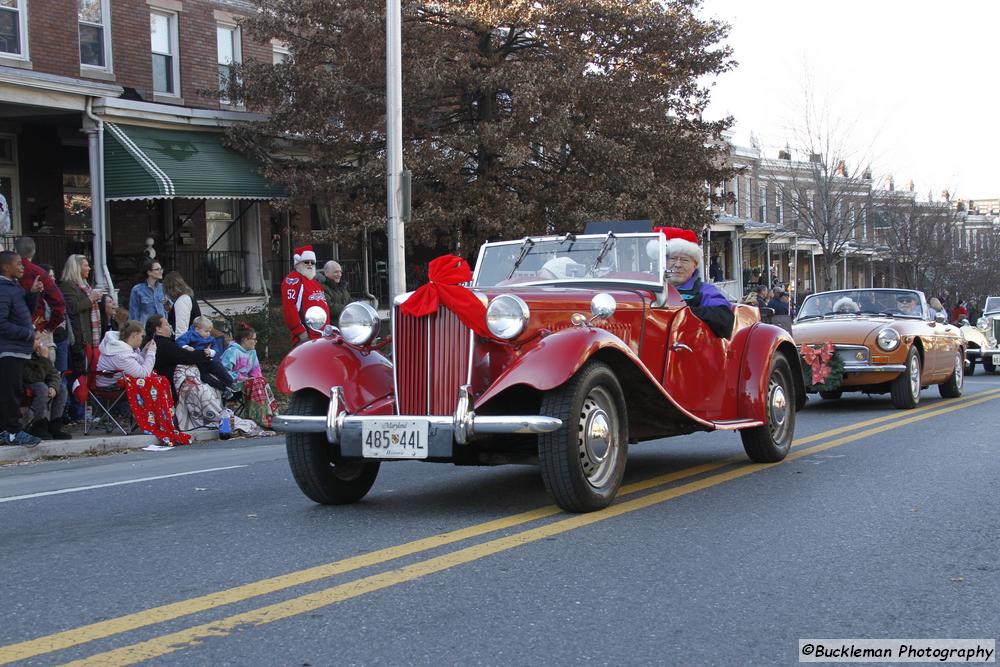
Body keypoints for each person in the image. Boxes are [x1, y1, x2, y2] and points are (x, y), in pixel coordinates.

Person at [97, 320, 190, 446]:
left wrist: (144, 352)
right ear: (134, 335)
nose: (142, 338)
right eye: (141, 336)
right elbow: (143, 373)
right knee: (155, 382)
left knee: (159, 380)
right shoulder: (121, 354)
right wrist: (151, 353)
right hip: (111, 385)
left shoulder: (124, 348)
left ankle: (163, 419)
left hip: (117, 379)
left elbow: (136, 364)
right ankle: (158, 421)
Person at [658, 227, 734, 338]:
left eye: (684, 260)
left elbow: (724, 319)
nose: (678, 264)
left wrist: (682, 313)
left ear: (694, 265)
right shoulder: (649, 290)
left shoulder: (705, 291)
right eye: (673, 258)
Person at [0, 251, 42, 447]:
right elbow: (1, 323)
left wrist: (32, 294)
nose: (22, 266)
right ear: (5, 267)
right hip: (8, 350)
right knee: (11, 392)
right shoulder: (2, 289)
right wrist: (28, 334)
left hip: (18, 349)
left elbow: (25, 313)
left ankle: (6, 432)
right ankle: (13, 432)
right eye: (18, 263)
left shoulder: (14, 287)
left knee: (13, 390)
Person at [220, 322, 278, 429]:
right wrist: (241, 378)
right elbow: (224, 371)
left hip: (247, 384)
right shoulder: (232, 351)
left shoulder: (252, 353)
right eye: (254, 339)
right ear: (245, 340)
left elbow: (256, 372)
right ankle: (259, 417)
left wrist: (257, 379)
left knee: (261, 380)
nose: (255, 342)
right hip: (232, 385)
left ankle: (270, 414)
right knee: (256, 381)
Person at [23, 335, 71, 440]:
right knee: (42, 388)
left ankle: (55, 426)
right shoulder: (23, 356)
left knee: (61, 388)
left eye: (39, 339)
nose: (40, 343)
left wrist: (53, 387)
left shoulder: (38, 354)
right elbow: (34, 377)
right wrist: (44, 359)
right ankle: (38, 426)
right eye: (36, 339)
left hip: (40, 382)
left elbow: (54, 374)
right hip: (26, 384)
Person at [14, 237, 65, 334]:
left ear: (15, 251)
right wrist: (50, 326)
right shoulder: (39, 273)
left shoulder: (6, 273)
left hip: (12, 327)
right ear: (34, 251)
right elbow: (59, 302)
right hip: (37, 327)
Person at [176, 315, 238, 395]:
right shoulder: (190, 335)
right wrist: (186, 347)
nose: (208, 333)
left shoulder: (210, 338)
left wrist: (211, 351)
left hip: (207, 360)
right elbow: (179, 342)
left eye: (209, 331)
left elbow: (216, 347)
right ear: (197, 329)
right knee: (205, 377)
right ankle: (223, 389)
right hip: (196, 363)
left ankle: (230, 382)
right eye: (206, 331)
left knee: (218, 366)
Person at [282, 245, 329, 346]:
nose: (310, 264)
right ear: (298, 262)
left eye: (312, 262)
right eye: (306, 262)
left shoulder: (314, 282)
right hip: (307, 337)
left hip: (322, 336)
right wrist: (300, 331)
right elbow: (289, 307)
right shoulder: (293, 280)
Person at [128, 259, 170, 326]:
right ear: (149, 272)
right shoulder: (137, 290)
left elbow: (170, 309)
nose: (161, 271)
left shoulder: (163, 288)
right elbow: (134, 313)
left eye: (161, 269)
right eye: (157, 269)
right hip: (145, 329)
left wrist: (167, 304)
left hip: (162, 328)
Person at [164, 271, 200, 336]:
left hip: (188, 340)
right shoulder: (187, 298)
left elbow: (181, 329)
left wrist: (181, 344)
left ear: (169, 288)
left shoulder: (182, 301)